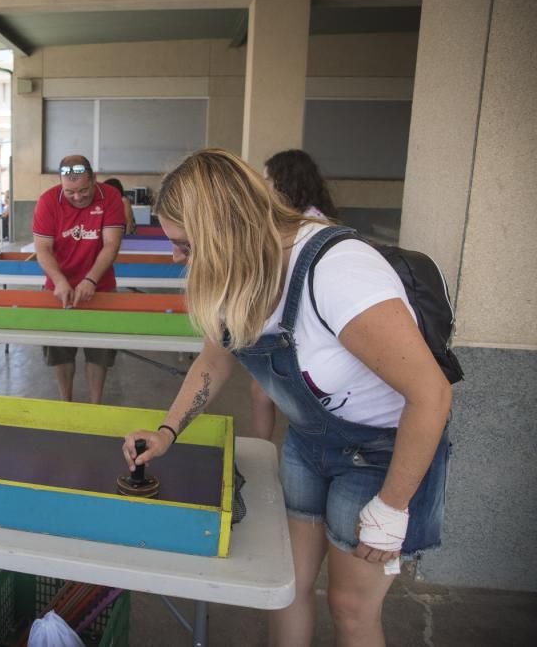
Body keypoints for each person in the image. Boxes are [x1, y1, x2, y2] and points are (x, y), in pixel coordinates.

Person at [122, 149, 450, 647]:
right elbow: (214, 360)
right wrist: (167, 432)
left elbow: (431, 394)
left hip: (383, 453)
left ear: (224, 233)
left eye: (186, 246)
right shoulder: (237, 274)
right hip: (307, 442)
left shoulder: (338, 270)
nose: (176, 259)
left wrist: (393, 506)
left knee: (350, 607)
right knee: (284, 588)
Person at [250, 149, 340, 439]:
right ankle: (265, 449)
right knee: (262, 391)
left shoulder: (314, 225)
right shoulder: (291, 221)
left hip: (308, 327)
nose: (264, 186)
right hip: (288, 324)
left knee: (270, 393)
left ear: (286, 182)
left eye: (268, 179)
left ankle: (276, 449)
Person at [33, 155, 126, 404]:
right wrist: (60, 280)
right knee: (60, 353)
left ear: (94, 179)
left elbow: (111, 245)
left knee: (99, 354)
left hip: (101, 288)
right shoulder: (48, 201)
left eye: (83, 190)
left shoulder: (111, 198)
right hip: (58, 290)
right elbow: (42, 249)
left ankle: (95, 404)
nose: (77, 197)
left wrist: (91, 280)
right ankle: (66, 403)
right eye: (70, 191)